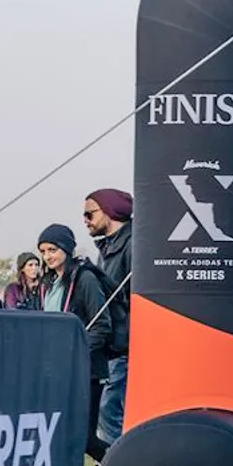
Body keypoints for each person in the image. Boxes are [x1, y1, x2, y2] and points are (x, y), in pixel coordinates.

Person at [36, 223, 117, 464]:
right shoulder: (47, 283)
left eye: (52, 250)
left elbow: (102, 325)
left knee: (85, 439)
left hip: (87, 371)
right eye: (43, 251)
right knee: (60, 436)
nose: (47, 256)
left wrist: (72, 351)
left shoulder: (85, 278)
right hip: (57, 371)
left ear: (66, 249)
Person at [84, 189, 134, 449]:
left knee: (108, 409)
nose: (85, 220)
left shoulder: (133, 244)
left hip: (124, 344)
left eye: (89, 213)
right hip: (111, 346)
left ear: (109, 212)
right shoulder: (105, 248)